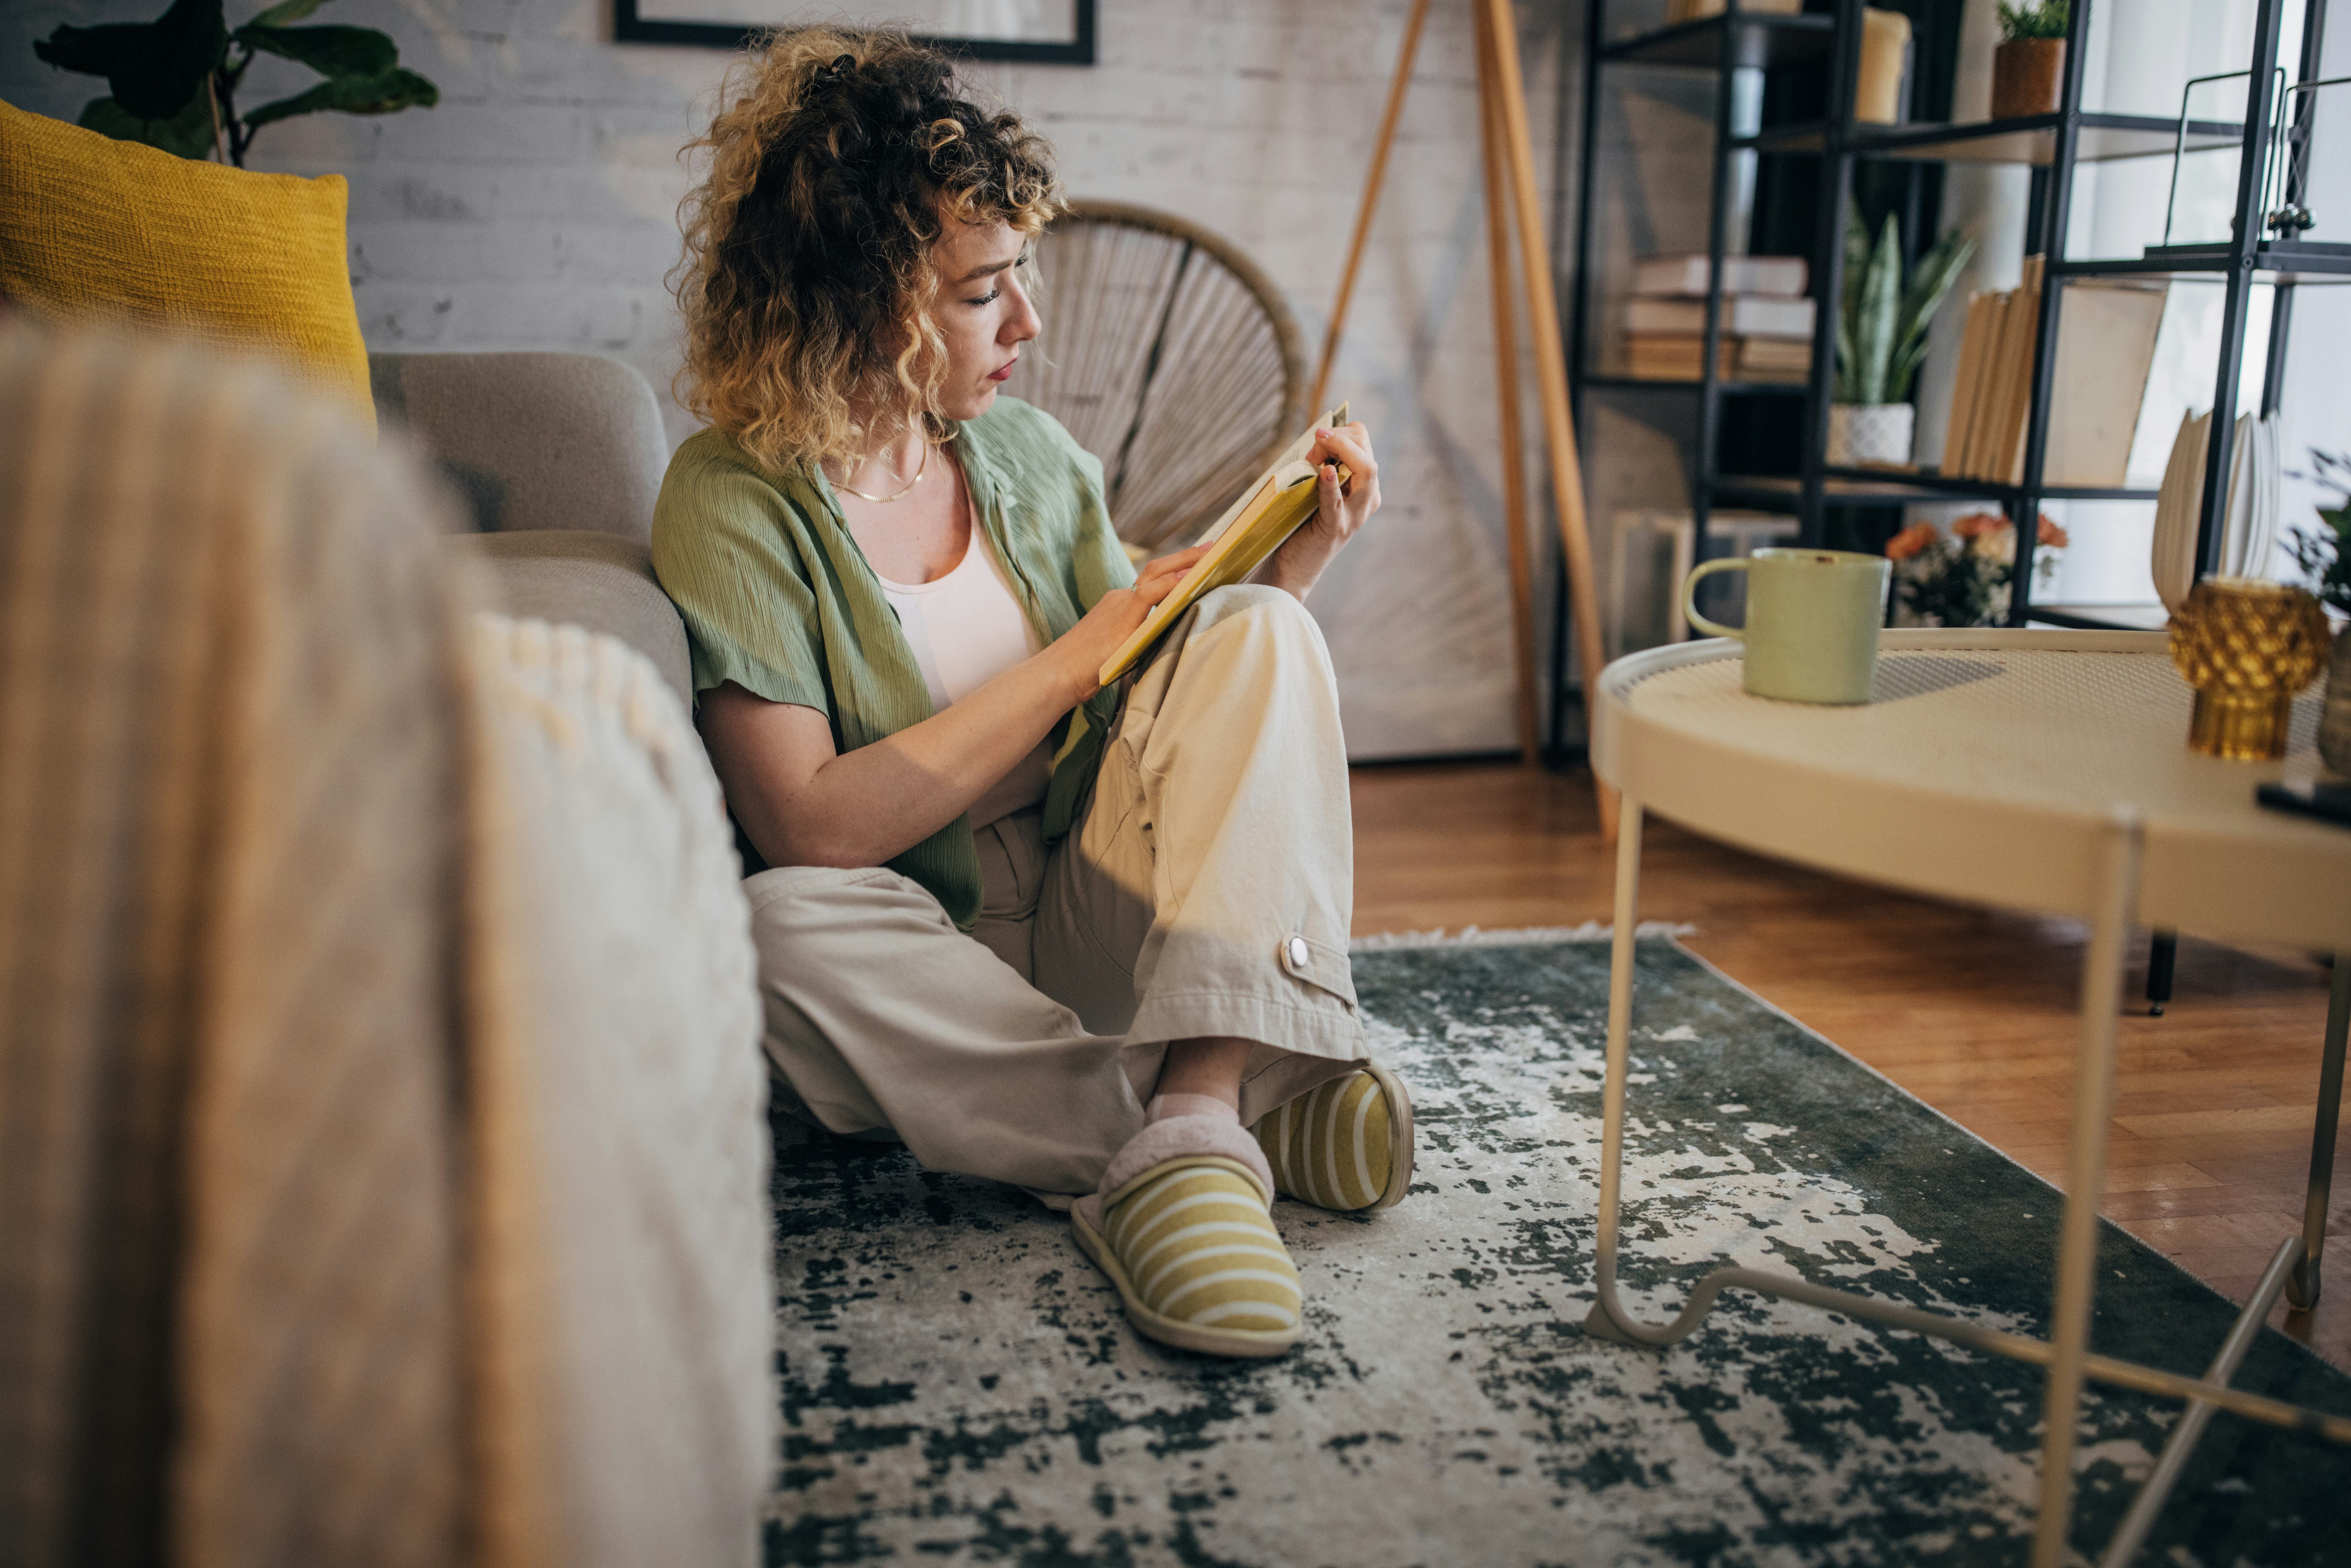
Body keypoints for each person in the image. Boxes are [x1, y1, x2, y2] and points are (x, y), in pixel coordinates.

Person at [652, 26, 1412, 1360]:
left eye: (1021, 278)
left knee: (1253, 634)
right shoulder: (732, 497)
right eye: (980, 291)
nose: (1027, 324)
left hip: (1089, 903)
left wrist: (1280, 579)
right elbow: (812, 827)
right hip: (917, 956)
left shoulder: (1034, 458)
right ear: (861, 299)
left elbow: (1167, 724)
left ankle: (1193, 1106)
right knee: (773, 932)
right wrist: (1078, 652)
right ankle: (1211, 1103)